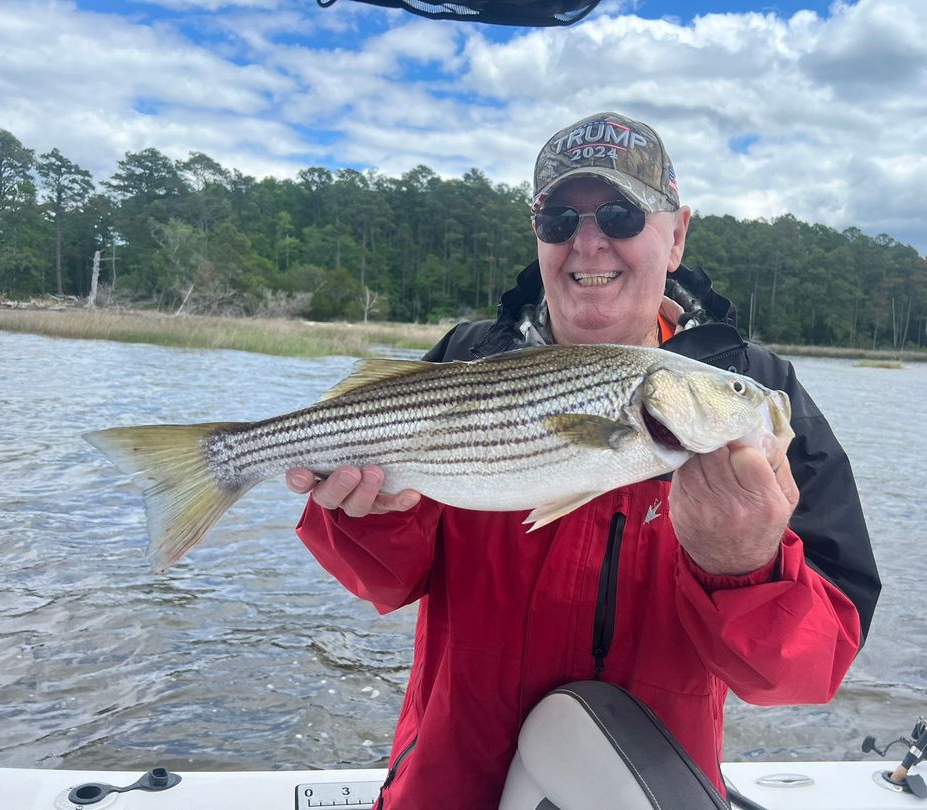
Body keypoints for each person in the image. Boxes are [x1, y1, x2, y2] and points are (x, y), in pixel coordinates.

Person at [286, 112, 881, 809]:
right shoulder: (466, 359)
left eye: (623, 216)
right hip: (447, 785)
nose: (588, 242)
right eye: (559, 218)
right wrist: (371, 518)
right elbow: (385, 583)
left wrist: (743, 569)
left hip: (641, 785)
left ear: (678, 234)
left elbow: (807, 672)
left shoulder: (758, 396)